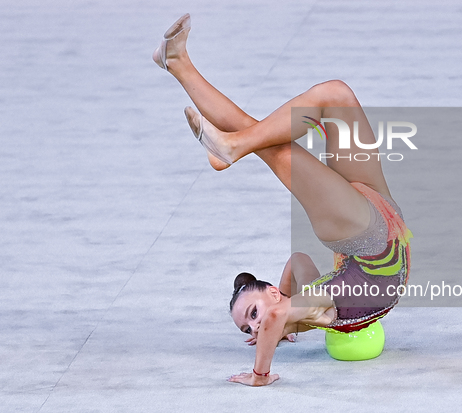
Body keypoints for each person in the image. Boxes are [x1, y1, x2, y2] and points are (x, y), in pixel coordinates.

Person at [153, 14, 412, 387]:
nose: (256, 325)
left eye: (253, 314)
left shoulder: (303, 302)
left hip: (366, 230)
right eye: (250, 324)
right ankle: (212, 113)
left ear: (274, 293)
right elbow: (290, 284)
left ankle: (188, 79)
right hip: (376, 227)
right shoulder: (309, 305)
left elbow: (295, 267)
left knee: (334, 95)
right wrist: (284, 316)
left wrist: (261, 373)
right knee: (281, 135)